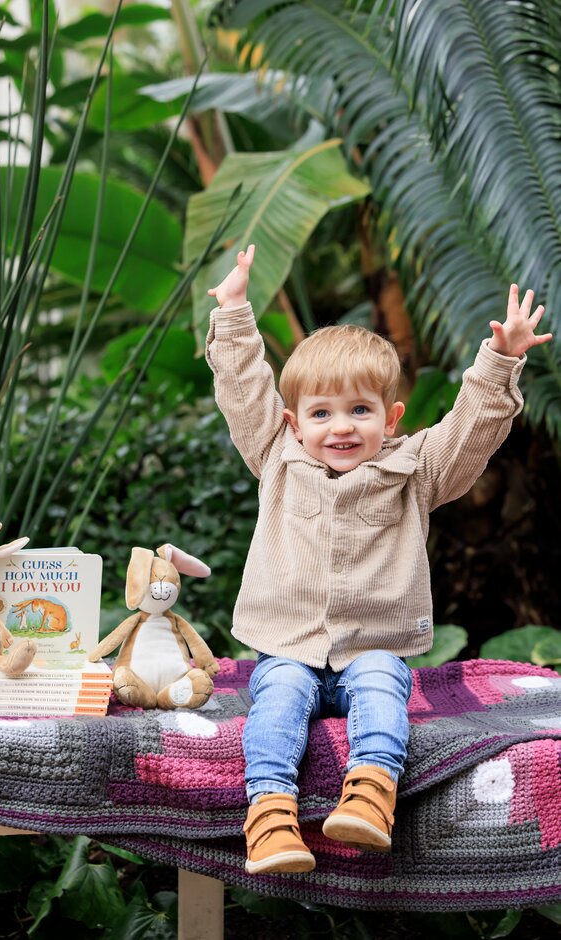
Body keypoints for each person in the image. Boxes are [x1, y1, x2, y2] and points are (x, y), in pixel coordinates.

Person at [205, 244, 552, 875]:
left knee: (385, 683)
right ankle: (271, 817)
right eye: (322, 413)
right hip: (290, 646)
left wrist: (499, 360)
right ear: (293, 423)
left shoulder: (415, 469)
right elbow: (242, 387)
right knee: (277, 696)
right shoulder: (275, 458)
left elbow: (470, 429)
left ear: (390, 418)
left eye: (360, 410)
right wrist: (233, 315)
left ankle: (369, 796)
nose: (341, 427)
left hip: (371, 649)